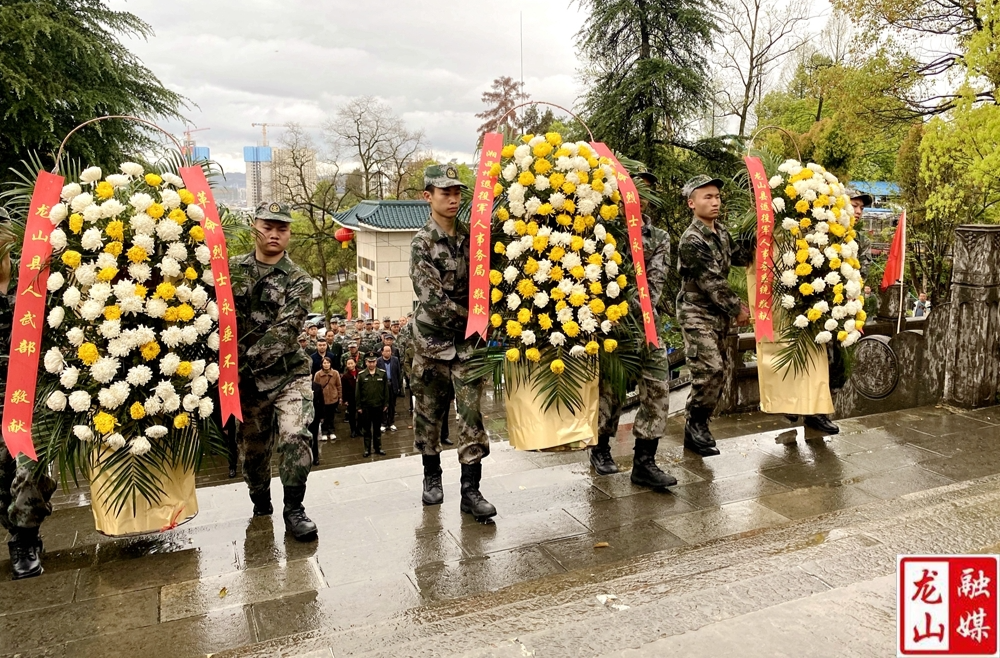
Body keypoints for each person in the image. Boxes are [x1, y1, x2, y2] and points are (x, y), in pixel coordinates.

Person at [410, 164, 496, 522]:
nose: (453, 198)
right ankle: (432, 476)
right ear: (428, 197)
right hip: (432, 343)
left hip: (469, 348)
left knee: (471, 414)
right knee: (429, 417)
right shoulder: (421, 243)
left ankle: (470, 490)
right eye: (445, 192)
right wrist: (478, 319)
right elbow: (434, 302)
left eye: (458, 192)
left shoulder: (473, 238)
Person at [230, 201, 318, 542]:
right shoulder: (230, 272)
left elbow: (284, 333)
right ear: (255, 227)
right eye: (267, 226)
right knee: (253, 456)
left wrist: (239, 362)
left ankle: (294, 509)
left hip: (287, 375)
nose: (274, 233)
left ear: (289, 234)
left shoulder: (298, 280)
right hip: (247, 385)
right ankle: (260, 500)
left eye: (281, 228)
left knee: (296, 437)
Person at [592, 171, 677, 487]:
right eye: (632, 187)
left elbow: (653, 285)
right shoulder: (603, 232)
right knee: (610, 391)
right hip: (609, 325)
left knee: (658, 386)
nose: (638, 195)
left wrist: (633, 316)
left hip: (645, 325)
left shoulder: (658, 237)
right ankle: (600, 448)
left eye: (645, 189)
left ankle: (645, 461)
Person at [677, 176, 751, 457]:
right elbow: (712, 283)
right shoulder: (691, 240)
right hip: (696, 311)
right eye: (707, 197)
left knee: (719, 372)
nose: (715, 201)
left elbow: (741, 256)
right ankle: (695, 425)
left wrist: (763, 231)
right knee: (709, 369)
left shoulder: (720, 232)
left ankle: (697, 428)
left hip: (717, 315)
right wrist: (738, 309)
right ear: (691, 203)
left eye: (717, 196)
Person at [0, 211, 56, 579]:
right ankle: (17, 529)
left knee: (30, 467)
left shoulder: (33, 278)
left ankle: (25, 537)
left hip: (27, 397)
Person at [356, 353, 388, 457]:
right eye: (369, 362)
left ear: (376, 362)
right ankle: (367, 449)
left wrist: (386, 403)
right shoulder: (361, 375)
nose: (371, 364)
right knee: (366, 429)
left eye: (373, 361)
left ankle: (378, 447)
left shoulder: (382, 374)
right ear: (366, 362)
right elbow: (358, 392)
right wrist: (359, 406)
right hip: (366, 407)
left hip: (378, 405)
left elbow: (386, 390)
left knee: (377, 429)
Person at [313, 357, 342, 441]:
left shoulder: (335, 373)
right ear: (322, 364)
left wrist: (340, 397)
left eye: (328, 363)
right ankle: (324, 432)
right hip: (322, 400)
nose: (326, 365)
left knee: (331, 416)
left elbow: (339, 386)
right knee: (323, 417)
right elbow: (315, 387)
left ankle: (331, 431)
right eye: (324, 363)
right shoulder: (318, 374)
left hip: (333, 398)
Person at [376, 344, 402, 432]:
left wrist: (398, 386)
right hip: (382, 385)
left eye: (389, 351)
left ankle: (391, 422)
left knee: (392, 405)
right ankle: (383, 423)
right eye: (386, 351)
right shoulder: (378, 361)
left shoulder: (395, 360)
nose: (388, 352)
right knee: (383, 404)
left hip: (393, 384)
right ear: (382, 352)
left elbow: (399, 373)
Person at [341, 358, 359, 438]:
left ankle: (359, 429)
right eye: (348, 364)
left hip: (360, 397)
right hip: (351, 398)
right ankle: (353, 430)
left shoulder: (361, 373)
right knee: (351, 415)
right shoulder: (345, 376)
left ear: (355, 363)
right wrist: (345, 400)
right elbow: (344, 389)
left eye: (352, 363)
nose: (350, 365)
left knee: (361, 415)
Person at [307, 380, 325, 466]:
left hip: (314, 415)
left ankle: (315, 457)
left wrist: (321, 416)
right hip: (302, 417)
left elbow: (321, 401)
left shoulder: (317, 386)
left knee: (314, 437)